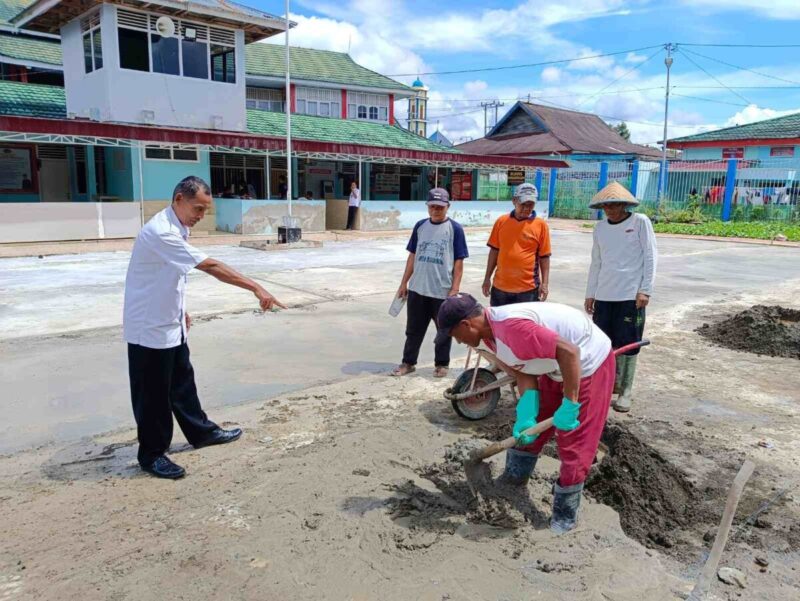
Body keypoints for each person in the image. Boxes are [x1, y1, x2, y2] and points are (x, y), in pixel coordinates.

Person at [123, 176, 286, 479]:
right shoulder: (161, 232)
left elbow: (165, 276)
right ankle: (152, 454)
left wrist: (180, 309)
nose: (200, 216)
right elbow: (209, 266)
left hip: (169, 321)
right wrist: (256, 287)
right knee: (153, 396)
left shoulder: (178, 227)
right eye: (197, 209)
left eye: (204, 211)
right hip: (149, 328)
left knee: (182, 383)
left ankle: (201, 433)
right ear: (179, 200)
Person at [436, 293, 614, 533]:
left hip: (588, 365)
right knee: (531, 428)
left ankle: (564, 518)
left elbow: (570, 352)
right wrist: (527, 413)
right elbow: (523, 372)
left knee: (574, 443)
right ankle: (514, 479)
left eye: (455, 335)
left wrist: (570, 404)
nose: (458, 342)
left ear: (466, 324)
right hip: (552, 365)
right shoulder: (484, 338)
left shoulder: (512, 329)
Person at [584, 181, 656, 413]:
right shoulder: (600, 228)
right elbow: (596, 262)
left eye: (615, 205)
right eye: (607, 206)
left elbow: (651, 257)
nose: (611, 210)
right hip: (605, 294)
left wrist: (645, 289)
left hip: (630, 295)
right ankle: (608, 385)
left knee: (629, 343)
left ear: (625, 205)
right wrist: (590, 293)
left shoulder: (640, 222)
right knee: (603, 343)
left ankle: (626, 390)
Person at [392, 188, 468, 378]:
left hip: (442, 291)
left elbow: (459, 261)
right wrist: (404, 283)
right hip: (418, 288)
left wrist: (455, 288)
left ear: (447, 207)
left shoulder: (455, 229)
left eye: (440, 207)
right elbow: (412, 256)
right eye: (432, 206)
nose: (436, 210)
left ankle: (442, 364)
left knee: (444, 330)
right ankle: (408, 362)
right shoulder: (420, 226)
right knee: (413, 330)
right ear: (427, 207)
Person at [483, 183, 552, 306]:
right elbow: (494, 251)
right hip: (500, 289)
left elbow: (544, 257)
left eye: (530, 204)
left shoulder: (541, 226)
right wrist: (487, 278)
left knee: (524, 324)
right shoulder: (501, 222)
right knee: (498, 324)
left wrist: (545, 284)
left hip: (528, 290)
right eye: (523, 204)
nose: (526, 208)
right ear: (514, 201)